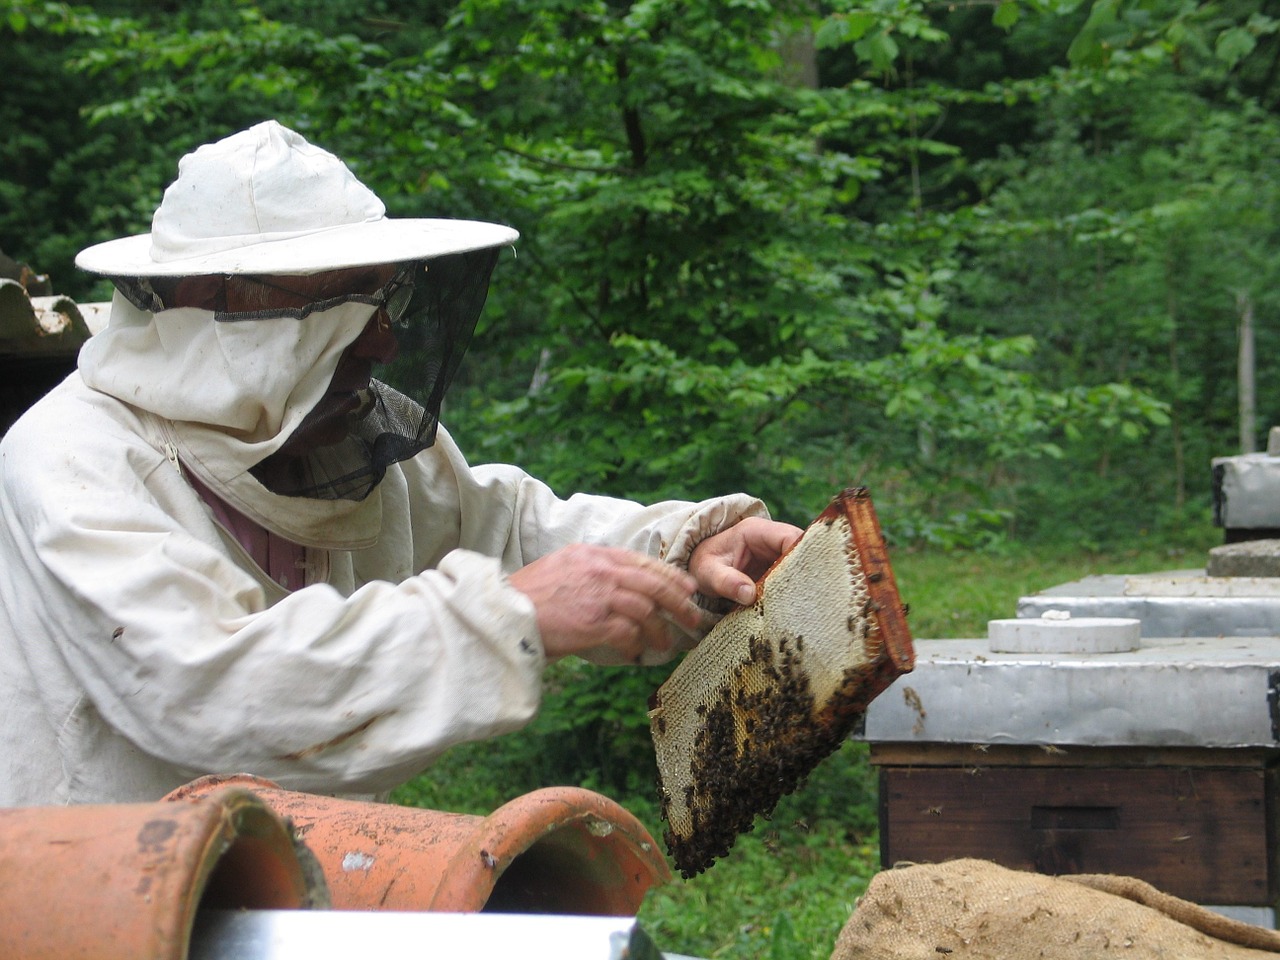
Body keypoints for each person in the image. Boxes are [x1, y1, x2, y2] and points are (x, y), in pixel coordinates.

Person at [0, 121, 802, 806]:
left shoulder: (355, 430)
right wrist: (508, 616)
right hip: (101, 904)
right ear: (215, 301)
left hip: (308, 891)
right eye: (344, 302)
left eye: (386, 300)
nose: (383, 338)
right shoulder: (73, 461)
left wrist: (681, 547)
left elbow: (507, 529)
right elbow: (209, 687)